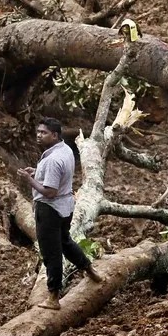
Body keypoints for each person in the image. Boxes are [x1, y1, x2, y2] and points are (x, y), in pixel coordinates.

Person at [17, 117, 103, 310]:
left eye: (44, 133)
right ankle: (90, 270)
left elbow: (49, 191)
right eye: (38, 132)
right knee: (65, 241)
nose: (39, 136)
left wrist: (28, 180)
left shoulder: (53, 160)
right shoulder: (65, 149)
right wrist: (38, 171)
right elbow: (56, 176)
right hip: (66, 207)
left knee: (51, 253)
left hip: (50, 209)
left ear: (54, 135)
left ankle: (53, 297)